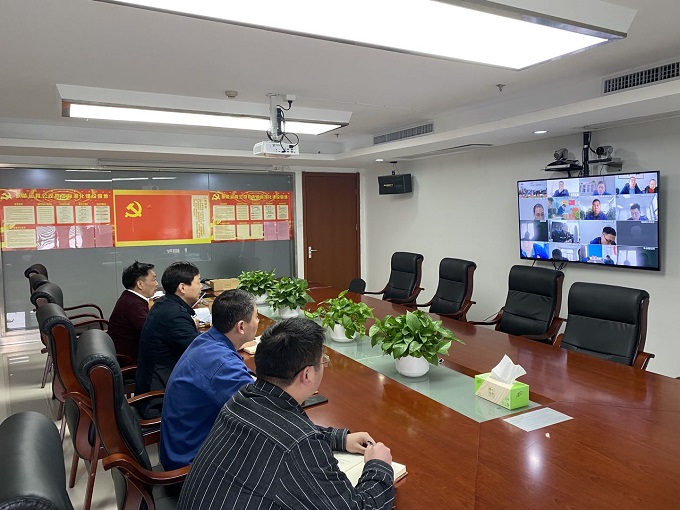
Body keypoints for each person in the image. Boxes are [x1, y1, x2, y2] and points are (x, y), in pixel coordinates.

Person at [178, 318, 395, 510]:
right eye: (323, 361)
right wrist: (379, 465)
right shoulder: (298, 446)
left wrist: (340, 439)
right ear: (307, 374)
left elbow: (280, 432)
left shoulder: (242, 398)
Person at [160, 289, 259, 471]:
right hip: (192, 464)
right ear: (241, 327)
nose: (258, 321)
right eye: (256, 317)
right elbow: (261, 409)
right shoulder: (221, 363)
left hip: (183, 446)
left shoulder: (208, 340)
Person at [135, 261, 202, 417]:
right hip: (159, 399)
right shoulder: (174, 315)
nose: (201, 287)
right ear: (182, 287)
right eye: (198, 282)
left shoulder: (164, 304)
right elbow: (202, 352)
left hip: (160, 383)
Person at [106, 261, 157, 363]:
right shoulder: (133, 304)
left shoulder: (129, 297)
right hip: (132, 360)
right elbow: (153, 332)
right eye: (154, 280)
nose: (157, 284)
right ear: (140, 284)